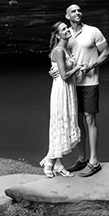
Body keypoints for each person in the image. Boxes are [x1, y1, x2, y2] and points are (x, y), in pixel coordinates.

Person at [62, 3, 109, 177]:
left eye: (79, 10)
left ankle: (94, 161)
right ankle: (82, 158)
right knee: (78, 120)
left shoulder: (93, 31)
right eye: (73, 11)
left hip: (90, 82)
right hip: (71, 84)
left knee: (89, 118)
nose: (77, 13)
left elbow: (106, 53)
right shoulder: (65, 34)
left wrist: (91, 66)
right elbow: (58, 54)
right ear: (67, 16)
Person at [41, 21, 80, 178]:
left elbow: (63, 72)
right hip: (61, 90)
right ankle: (49, 161)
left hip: (69, 89)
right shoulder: (58, 50)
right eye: (63, 29)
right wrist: (77, 67)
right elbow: (64, 76)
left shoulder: (66, 49)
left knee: (65, 123)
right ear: (57, 35)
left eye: (67, 27)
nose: (67, 30)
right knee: (59, 123)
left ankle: (57, 163)